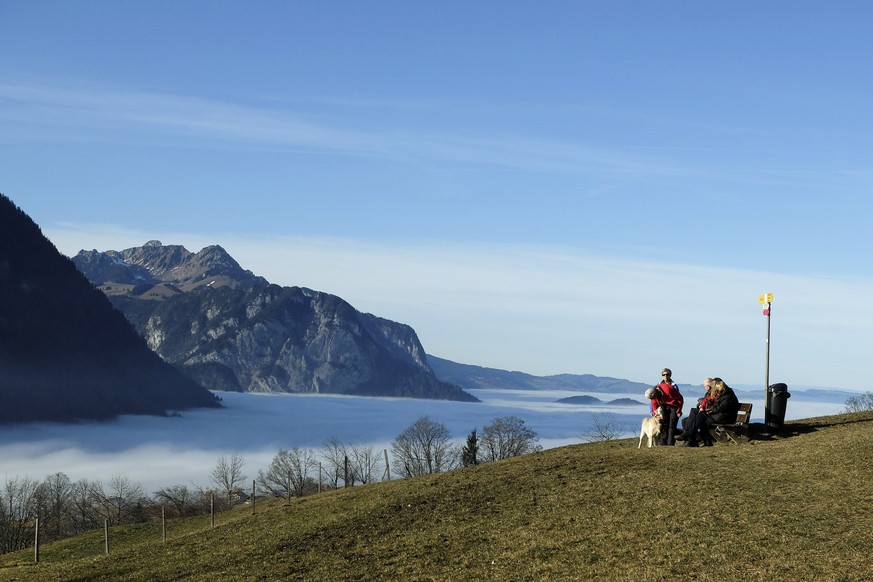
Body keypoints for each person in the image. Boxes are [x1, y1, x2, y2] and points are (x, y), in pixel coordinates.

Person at [683, 377, 740, 447]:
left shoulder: (727, 395)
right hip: (719, 415)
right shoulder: (722, 394)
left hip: (725, 417)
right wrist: (705, 406)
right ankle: (698, 439)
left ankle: (690, 436)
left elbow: (718, 409)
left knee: (701, 417)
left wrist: (708, 407)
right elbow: (712, 403)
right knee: (697, 414)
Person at [646, 368, 684, 445]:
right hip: (663, 406)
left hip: (673, 406)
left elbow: (680, 398)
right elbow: (653, 403)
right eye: (664, 374)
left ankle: (670, 443)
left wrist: (679, 410)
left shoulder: (669, 388)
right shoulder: (655, 390)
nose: (665, 376)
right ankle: (662, 443)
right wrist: (655, 412)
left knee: (671, 425)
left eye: (667, 374)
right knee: (663, 424)